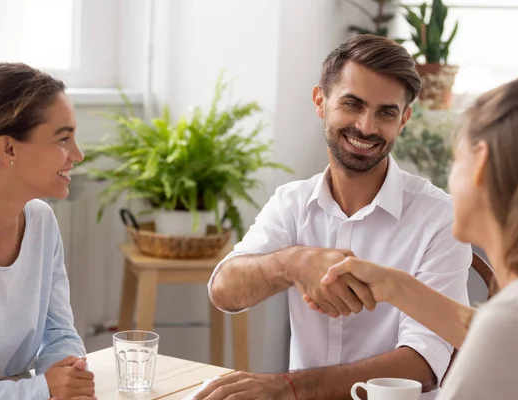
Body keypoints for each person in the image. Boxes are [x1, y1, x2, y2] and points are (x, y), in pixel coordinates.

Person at [199, 34, 472, 400]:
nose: (366, 127)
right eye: (352, 104)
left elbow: (422, 365)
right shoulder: (292, 203)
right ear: (320, 102)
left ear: (404, 119)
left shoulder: (439, 218)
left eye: (386, 112)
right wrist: (293, 263)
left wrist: (289, 387)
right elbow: (224, 291)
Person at [312, 75, 518, 399]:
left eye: (456, 158)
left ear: (481, 162)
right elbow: (490, 330)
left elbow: (502, 332)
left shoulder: (514, 321)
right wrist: (394, 285)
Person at [0, 63, 95, 400]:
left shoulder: (41, 222)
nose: (78, 155)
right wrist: (40, 389)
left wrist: (68, 374)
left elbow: (57, 331)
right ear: (9, 149)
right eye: (64, 139)